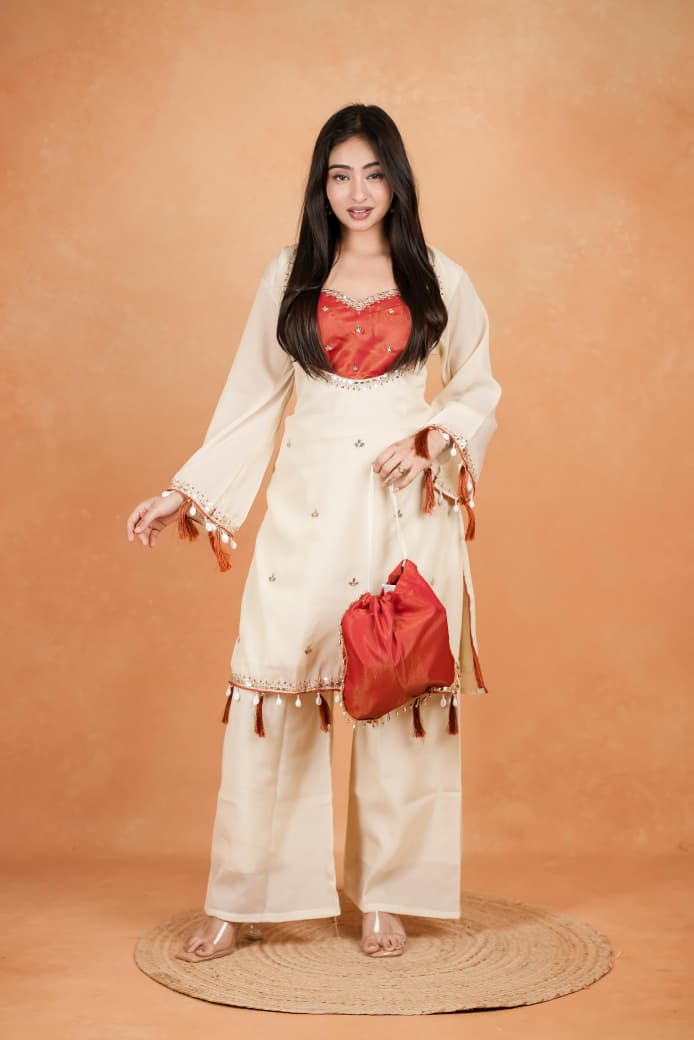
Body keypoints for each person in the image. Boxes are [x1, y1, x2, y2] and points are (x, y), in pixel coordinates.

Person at [126, 103, 501, 961]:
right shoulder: (289, 273)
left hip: (405, 514)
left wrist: (431, 439)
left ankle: (386, 896)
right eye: (340, 175)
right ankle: (243, 895)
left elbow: (477, 386)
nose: (357, 192)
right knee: (274, 687)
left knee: (398, 688)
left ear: (397, 180)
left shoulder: (440, 275)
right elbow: (251, 397)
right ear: (320, 185)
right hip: (307, 507)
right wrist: (185, 493)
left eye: (373, 173)